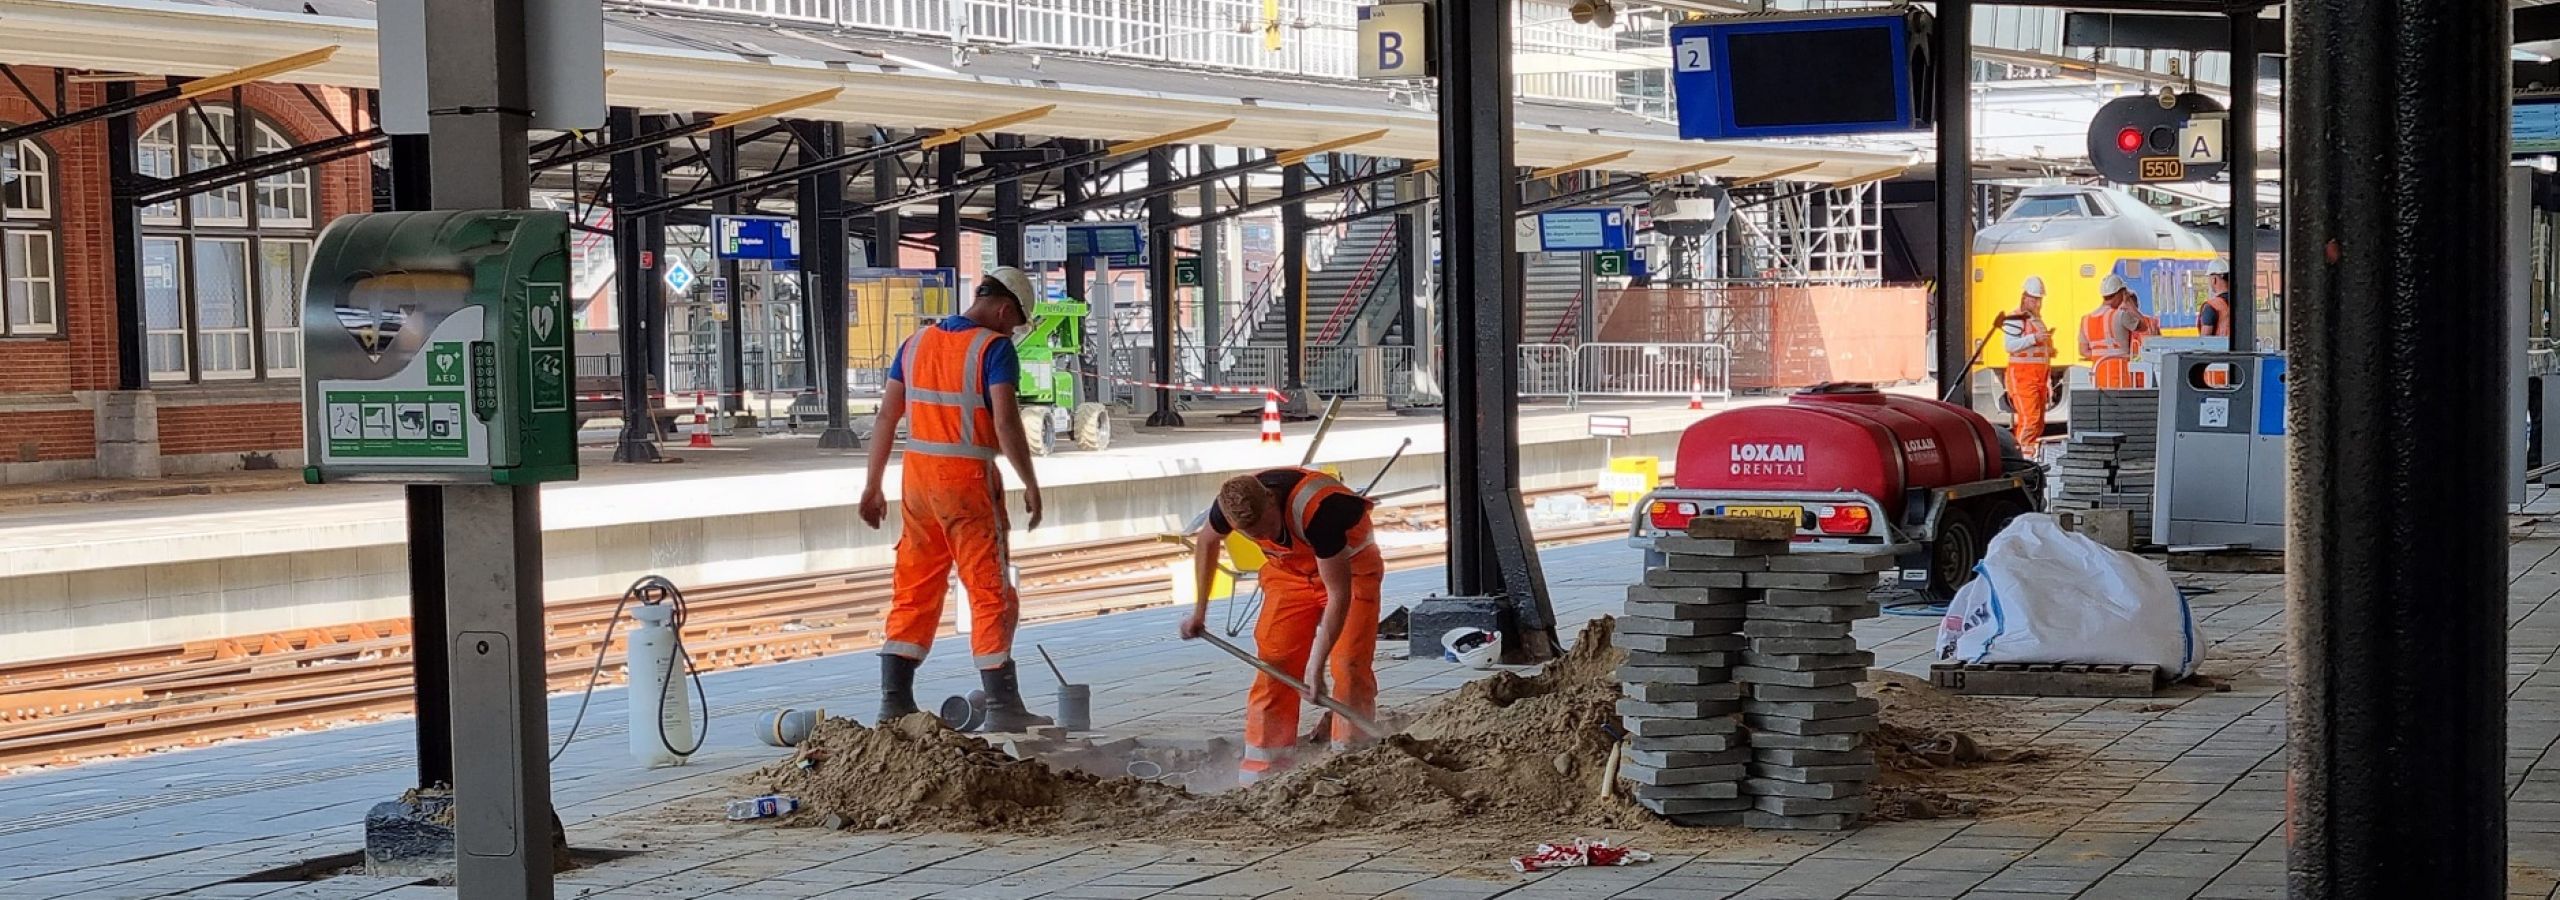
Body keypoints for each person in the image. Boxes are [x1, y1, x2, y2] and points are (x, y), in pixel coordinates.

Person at [860, 266, 1050, 730]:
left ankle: (895, 701)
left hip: (918, 482)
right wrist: (1031, 482)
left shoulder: (915, 344)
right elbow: (1006, 424)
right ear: (1005, 310)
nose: (1012, 331)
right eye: (1014, 323)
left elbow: (886, 417)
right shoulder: (994, 347)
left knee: (914, 586)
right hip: (966, 482)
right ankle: (1003, 705)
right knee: (989, 590)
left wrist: (872, 484)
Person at [1179, 469, 1384, 784]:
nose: (1267, 537)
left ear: (1272, 500)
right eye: (1254, 534)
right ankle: (1266, 765)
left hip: (1350, 571)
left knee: (1349, 663)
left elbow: (1337, 597)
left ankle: (1352, 758)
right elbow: (1207, 541)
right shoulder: (1228, 506)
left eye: (1269, 527)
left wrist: (1315, 671)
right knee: (1275, 661)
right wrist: (1199, 613)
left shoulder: (1320, 511)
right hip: (1289, 576)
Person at [2001, 276, 2056, 450]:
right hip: (2022, 378)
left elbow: (2040, 354)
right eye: (2034, 300)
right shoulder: (2016, 318)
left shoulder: (2037, 321)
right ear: (2025, 298)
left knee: (2037, 422)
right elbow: (2009, 345)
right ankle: (2023, 455)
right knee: (2029, 420)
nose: (2038, 304)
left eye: (2039, 300)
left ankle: (2028, 454)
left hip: (2037, 379)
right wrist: (2034, 339)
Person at [2079, 275, 2157, 389]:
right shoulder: (2120, 316)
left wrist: (2103, 358)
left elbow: (2083, 351)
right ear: (2120, 293)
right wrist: (2130, 305)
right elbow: (2144, 327)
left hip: (2098, 377)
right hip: (2120, 377)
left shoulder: (2086, 319)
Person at [2199, 258, 2234, 339]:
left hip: (2220, 351)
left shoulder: (2212, 307)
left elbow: (2204, 343)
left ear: (2214, 280)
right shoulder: (2242, 303)